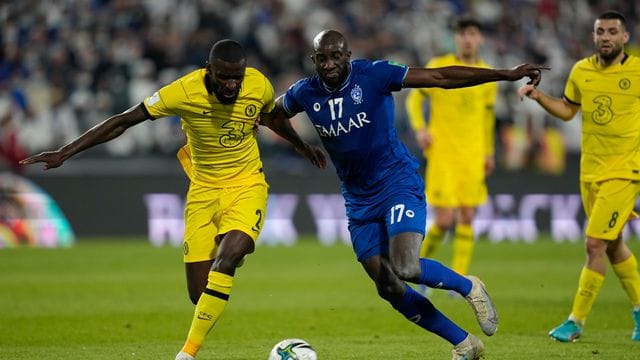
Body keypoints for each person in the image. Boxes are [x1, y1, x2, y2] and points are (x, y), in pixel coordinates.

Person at [19, 39, 326, 360]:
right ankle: (232, 253)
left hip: (247, 183)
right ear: (210, 71)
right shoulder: (182, 92)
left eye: (237, 77)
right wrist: (65, 152)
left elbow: (272, 116)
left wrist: (300, 145)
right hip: (203, 190)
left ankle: (187, 353)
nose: (232, 85)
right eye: (225, 77)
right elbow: (124, 121)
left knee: (228, 257)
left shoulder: (258, 84)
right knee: (200, 294)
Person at [262, 29, 547, 360]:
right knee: (388, 285)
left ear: (347, 55)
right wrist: (302, 146)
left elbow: (440, 77)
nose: (329, 64)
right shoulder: (304, 92)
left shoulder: (375, 74)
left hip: (397, 182)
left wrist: (504, 74)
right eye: (322, 58)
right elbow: (271, 114)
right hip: (358, 199)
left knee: (407, 266)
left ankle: (468, 287)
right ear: (313, 60)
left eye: (336, 56)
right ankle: (465, 344)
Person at [518, 10, 640, 343]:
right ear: (594, 35)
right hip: (590, 172)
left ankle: (576, 322)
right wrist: (540, 97)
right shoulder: (581, 70)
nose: (606, 37)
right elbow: (569, 110)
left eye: (613, 31)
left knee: (594, 243)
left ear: (625, 37)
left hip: (625, 172)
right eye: (601, 31)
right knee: (614, 246)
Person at [405, 18, 497, 279]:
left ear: (480, 39)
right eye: (462, 34)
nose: (467, 39)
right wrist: (420, 129)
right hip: (443, 154)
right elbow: (414, 99)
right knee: (444, 221)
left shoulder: (487, 75)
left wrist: (488, 152)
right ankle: (416, 266)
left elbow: (487, 117)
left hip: (473, 154)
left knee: (467, 216)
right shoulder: (439, 67)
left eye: (472, 34)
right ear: (456, 38)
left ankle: (459, 276)